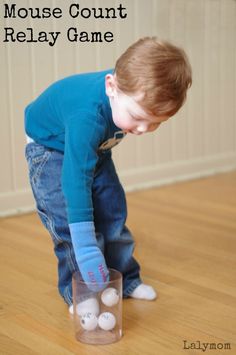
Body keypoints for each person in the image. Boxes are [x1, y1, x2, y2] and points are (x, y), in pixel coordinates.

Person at [24, 37, 192, 312]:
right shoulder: (86, 118)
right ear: (111, 87)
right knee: (67, 223)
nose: (142, 129)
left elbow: (100, 148)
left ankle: (123, 281)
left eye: (155, 123)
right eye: (137, 118)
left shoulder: (129, 91)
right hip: (51, 150)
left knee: (112, 211)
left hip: (94, 148)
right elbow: (75, 182)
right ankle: (82, 294)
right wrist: (88, 248)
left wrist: (135, 116)